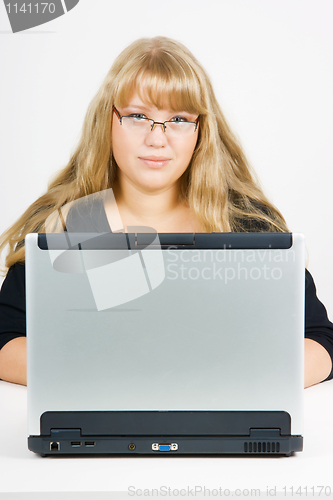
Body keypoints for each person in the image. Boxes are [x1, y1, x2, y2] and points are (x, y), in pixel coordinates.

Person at [0, 36, 332, 387]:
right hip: (106, 427)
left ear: (201, 130)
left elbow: (319, 341)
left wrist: (228, 379)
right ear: (108, 121)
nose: (157, 139)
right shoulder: (68, 225)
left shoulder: (246, 226)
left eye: (178, 119)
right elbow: (6, 341)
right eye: (138, 116)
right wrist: (115, 374)